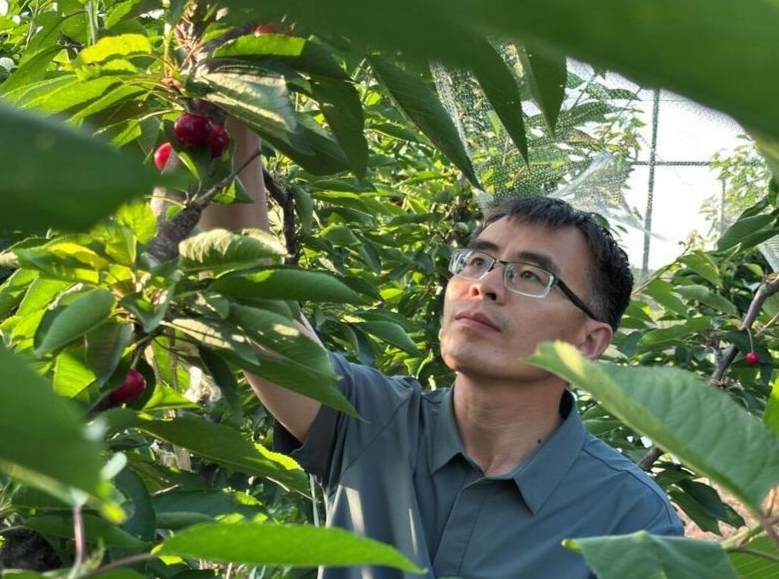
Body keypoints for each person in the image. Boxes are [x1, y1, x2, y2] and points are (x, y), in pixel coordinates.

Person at [199, 121, 683, 579]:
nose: (485, 284)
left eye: (531, 275)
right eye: (477, 260)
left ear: (588, 342)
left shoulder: (632, 519)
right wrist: (232, 103)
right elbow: (249, 292)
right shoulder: (372, 420)